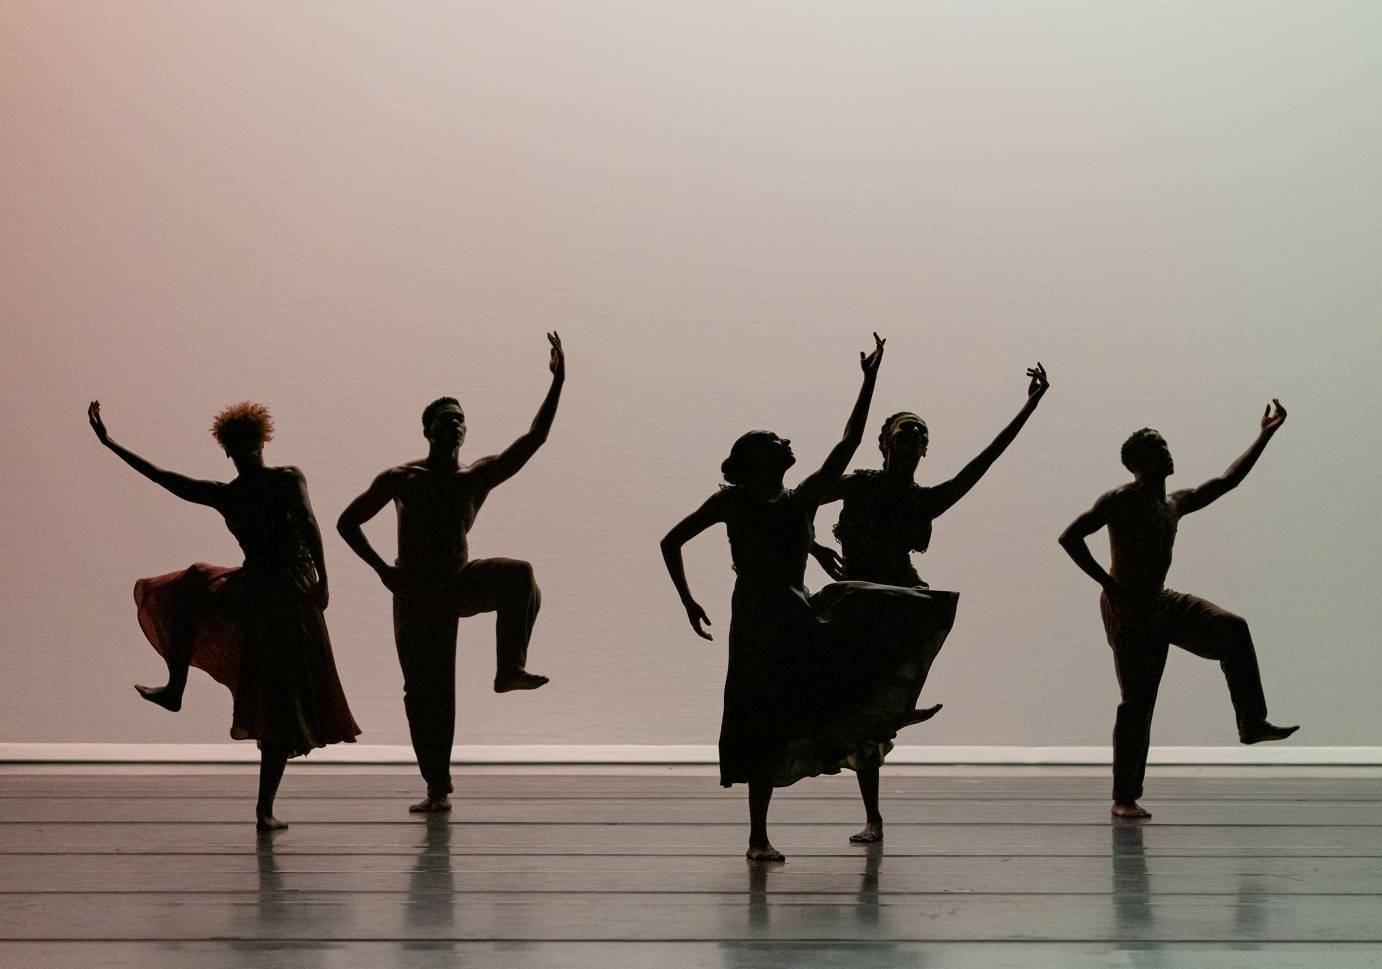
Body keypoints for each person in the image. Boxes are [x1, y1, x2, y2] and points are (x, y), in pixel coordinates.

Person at [660, 335, 958, 862]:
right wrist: (687, 600)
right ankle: (758, 836)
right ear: (755, 460)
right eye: (774, 442)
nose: (785, 443)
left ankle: (888, 708)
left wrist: (868, 381)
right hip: (757, 620)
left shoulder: (801, 502)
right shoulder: (735, 501)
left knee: (852, 631)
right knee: (760, 718)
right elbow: (672, 540)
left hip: (794, 613)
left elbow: (849, 441)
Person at [87, 400, 360, 830]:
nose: (244, 449)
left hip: (290, 594)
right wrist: (110, 444)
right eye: (236, 444)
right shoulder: (227, 493)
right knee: (192, 584)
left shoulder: (287, 479)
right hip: (257, 588)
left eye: (248, 440)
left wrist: (324, 580)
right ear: (228, 451)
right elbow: (166, 480)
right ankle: (175, 690)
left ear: (261, 441)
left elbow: (310, 525)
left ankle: (263, 809)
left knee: (280, 703)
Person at [810, 362, 1050, 843]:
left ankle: (891, 735)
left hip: (896, 598)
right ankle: (876, 724)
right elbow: (801, 500)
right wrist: (812, 545)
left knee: (881, 696)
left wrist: (1030, 405)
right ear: (886, 443)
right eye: (904, 430)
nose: (913, 437)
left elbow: (984, 462)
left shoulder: (925, 500)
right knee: (848, 695)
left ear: (924, 450)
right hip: (858, 596)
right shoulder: (858, 484)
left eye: (920, 434)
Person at [337, 333, 564, 814]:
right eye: (445, 418)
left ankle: (509, 668)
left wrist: (558, 381)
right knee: (428, 692)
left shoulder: (475, 477)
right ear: (428, 430)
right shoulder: (403, 478)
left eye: (460, 418)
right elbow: (347, 522)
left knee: (520, 577)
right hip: (416, 591)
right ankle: (436, 787)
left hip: (457, 581)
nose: (455, 424)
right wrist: (383, 571)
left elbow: (533, 440)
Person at [1058, 400, 1298, 819]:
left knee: (1231, 628)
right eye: (1156, 448)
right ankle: (1124, 798)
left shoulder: (1173, 504)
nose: (1166, 452)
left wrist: (1266, 433)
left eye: (1165, 444)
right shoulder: (1121, 499)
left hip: (1161, 600)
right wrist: (1109, 586)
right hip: (1130, 609)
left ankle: (1251, 723)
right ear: (1137, 463)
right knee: (1137, 702)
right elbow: (1071, 537)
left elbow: (1227, 481)